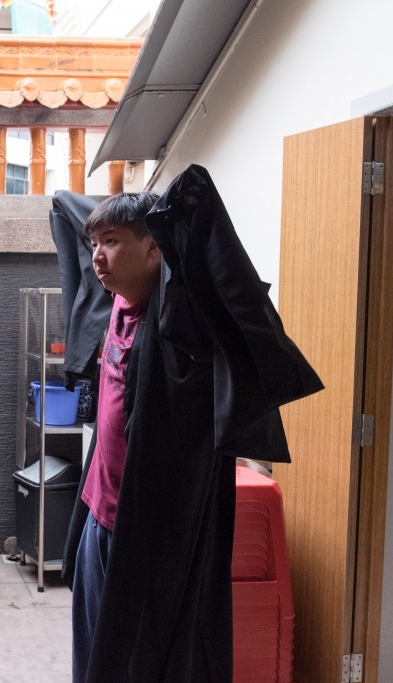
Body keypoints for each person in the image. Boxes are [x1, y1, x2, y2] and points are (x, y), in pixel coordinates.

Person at [56, 166, 322, 682]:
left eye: (111, 242)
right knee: (94, 653)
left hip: (151, 530)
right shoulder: (110, 304)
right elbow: (67, 210)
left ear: (155, 248)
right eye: (94, 244)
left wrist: (183, 218)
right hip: (99, 513)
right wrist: (91, 220)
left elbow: (236, 303)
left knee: (142, 659)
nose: (97, 258)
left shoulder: (182, 322)